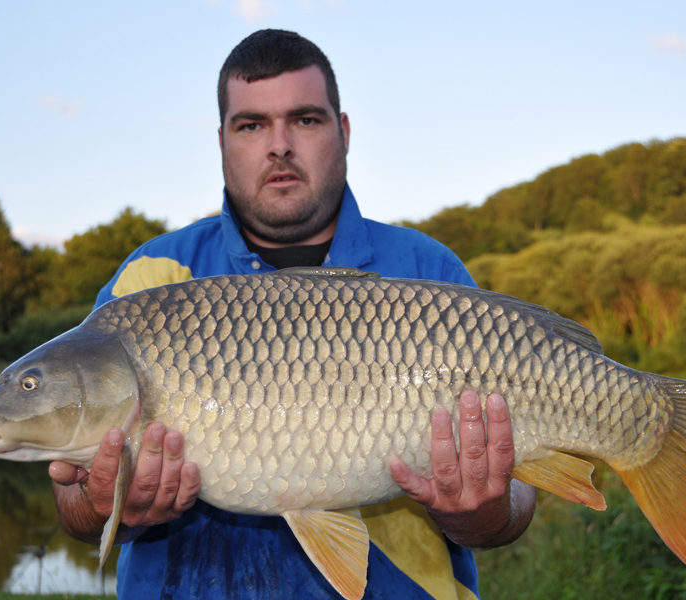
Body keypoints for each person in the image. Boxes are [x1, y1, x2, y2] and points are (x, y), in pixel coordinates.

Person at [49, 29, 536, 599]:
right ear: (223, 141)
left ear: (344, 132)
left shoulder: (427, 273)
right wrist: (103, 502)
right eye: (251, 125)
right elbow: (73, 505)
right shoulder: (152, 281)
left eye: (305, 119)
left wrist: (478, 510)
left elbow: (516, 506)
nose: (279, 145)